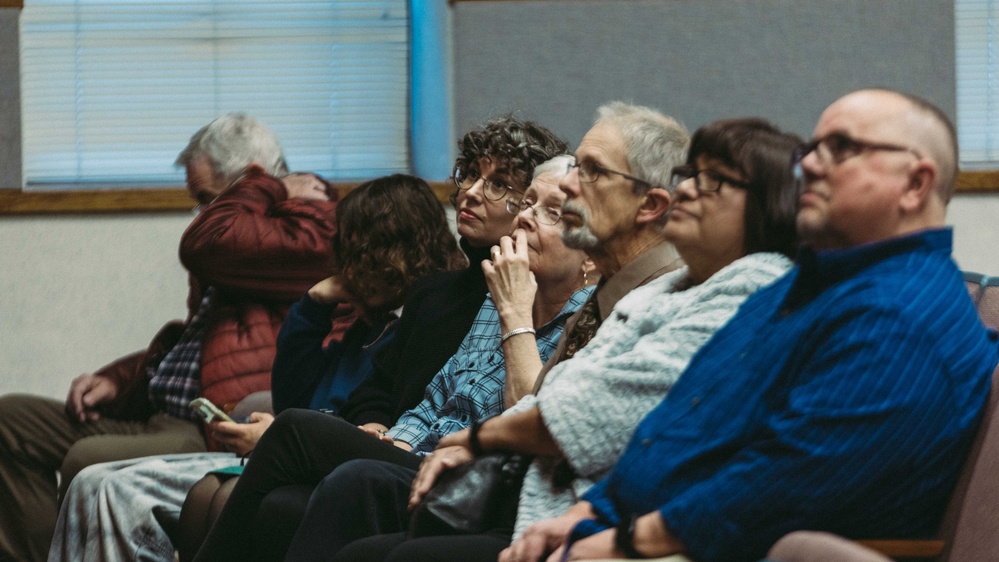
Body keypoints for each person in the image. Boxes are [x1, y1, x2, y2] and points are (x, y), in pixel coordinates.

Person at [502, 90, 999, 562]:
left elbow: (784, 482)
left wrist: (625, 538)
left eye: (841, 148)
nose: (806, 165)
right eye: (812, 148)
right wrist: (596, 510)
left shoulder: (898, 314)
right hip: (679, 528)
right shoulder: (815, 281)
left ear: (915, 184)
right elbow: (695, 417)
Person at [331, 116, 803, 562]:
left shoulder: (747, 290)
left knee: (381, 522)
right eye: (689, 174)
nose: (687, 191)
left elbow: (577, 416)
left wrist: (476, 438)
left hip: (580, 502)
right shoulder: (662, 289)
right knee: (355, 527)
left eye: (712, 180)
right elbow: (536, 400)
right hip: (542, 491)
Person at [186, 119, 571, 561]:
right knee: (273, 501)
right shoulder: (446, 296)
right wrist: (387, 429)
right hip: (412, 447)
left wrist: (514, 314)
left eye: (500, 184)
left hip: (467, 470)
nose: (471, 192)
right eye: (470, 175)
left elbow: (523, 416)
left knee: (295, 431)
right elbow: (403, 395)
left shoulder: (522, 302)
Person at [45, 174, 466, 562]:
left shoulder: (416, 327)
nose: (345, 269)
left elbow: (369, 422)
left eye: (355, 255)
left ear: (384, 255)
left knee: (197, 493)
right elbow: (296, 398)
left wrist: (274, 434)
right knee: (180, 489)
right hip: (305, 444)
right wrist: (312, 309)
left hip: (359, 457)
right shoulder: (366, 324)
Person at [0, 114, 339, 562]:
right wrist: (119, 380)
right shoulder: (238, 228)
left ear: (251, 179)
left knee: (90, 457)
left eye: (204, 197)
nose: (199, 212)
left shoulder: (315, 223)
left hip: (212, 424)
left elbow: (202, 242)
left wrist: (262, 186)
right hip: (163, 407)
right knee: (10, 420)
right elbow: (197, 341)